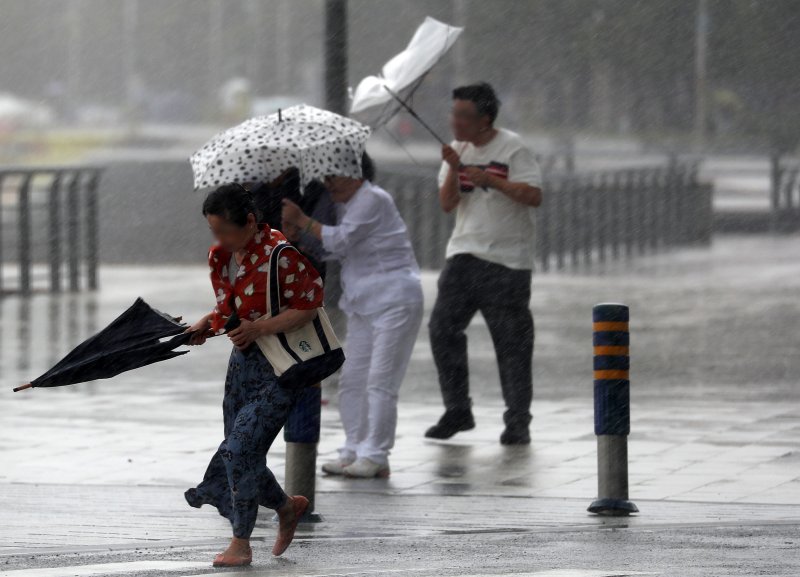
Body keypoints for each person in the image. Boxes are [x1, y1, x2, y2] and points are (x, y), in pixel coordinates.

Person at [184, 183, 325, 567]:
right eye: (214, 231)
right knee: (242, 455)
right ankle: (285, 506)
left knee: (239, 449)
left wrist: (260, 328)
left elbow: (309, 305)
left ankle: (240, 543)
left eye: (225, 231)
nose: (220, 240)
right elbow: (228, 308)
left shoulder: (281, 255)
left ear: (249, 222)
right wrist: (206, 325)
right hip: (242, 368)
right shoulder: (221, 256)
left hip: (281, 369)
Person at [281, 154, 424, 478]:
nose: (328, 183)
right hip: (361, 302)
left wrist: (303, 220)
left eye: (334, 175)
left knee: (380, 381)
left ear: (355, 174)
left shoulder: (372, 198)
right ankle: (354, 448)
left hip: (395, 300)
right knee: (352, 379)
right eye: (326, 176)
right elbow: (336, 248)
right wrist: (298, 236)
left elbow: (341, 237)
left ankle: (376, 455)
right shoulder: (344, 205)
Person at [425, 82, 543, 445]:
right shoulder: (457, 150)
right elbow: (447, 204)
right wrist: (451, 169)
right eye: (453, 114)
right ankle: (458, 409)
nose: (455, 122)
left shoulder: (513, 147)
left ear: (485, 119)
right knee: (442, 329)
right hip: (463, 254)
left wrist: (491, 179)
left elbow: (534, 195)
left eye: (464, 116)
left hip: (507, 262)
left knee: (512, 344)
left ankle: (518, 420)